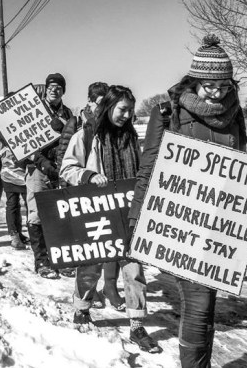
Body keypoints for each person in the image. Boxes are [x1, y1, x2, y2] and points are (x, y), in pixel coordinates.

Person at [132, 35, 247, 366]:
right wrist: (136, 222)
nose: (217, 92)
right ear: (194, 80)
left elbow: (240, 163)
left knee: (205, 306)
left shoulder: (235, 112)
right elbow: (149, 170)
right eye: (208, 85)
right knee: (199, 304)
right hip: (178, 222)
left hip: (217, 225)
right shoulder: (167, 111)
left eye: (223, 85)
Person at [60, 85, 160, 353]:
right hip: (97, 212)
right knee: (90, 266)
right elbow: (67, 168)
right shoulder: (87, 135)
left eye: (130, 111)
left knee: (134, 269)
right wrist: (89, 176)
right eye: (123, 109)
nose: (127, 115)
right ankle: (82, 309)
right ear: (109, 106)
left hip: (127, 213)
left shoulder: (130, 138)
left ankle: (137, 326)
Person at [55, 81, 124, 308]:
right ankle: (83, 303)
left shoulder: (120, 132)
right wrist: (87, 177)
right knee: (91, 256)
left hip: (114, 200)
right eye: (101, 104)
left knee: (114, 250)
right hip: (87, 202)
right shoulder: (80, 130)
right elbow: (65, 165)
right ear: (90, 102)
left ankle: (110, 289)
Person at [26, 73, 73, 278]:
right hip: (37, 168)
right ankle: (42, 261)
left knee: (58, 214)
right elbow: (23, 142)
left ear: (63, 90)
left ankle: (60, 259)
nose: (54, 90)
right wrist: (42, 163)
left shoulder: (69, 113)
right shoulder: (33, 111)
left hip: (60, 169)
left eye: (58, 87)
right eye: (51, 86)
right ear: (46, 89)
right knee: (37, 214)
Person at [0, 121, 29, 249]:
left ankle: (19, 233)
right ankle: (12, 235)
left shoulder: (20, 121)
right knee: (11, 203)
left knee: (23, 204)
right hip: (6, 171)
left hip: (23, 171)